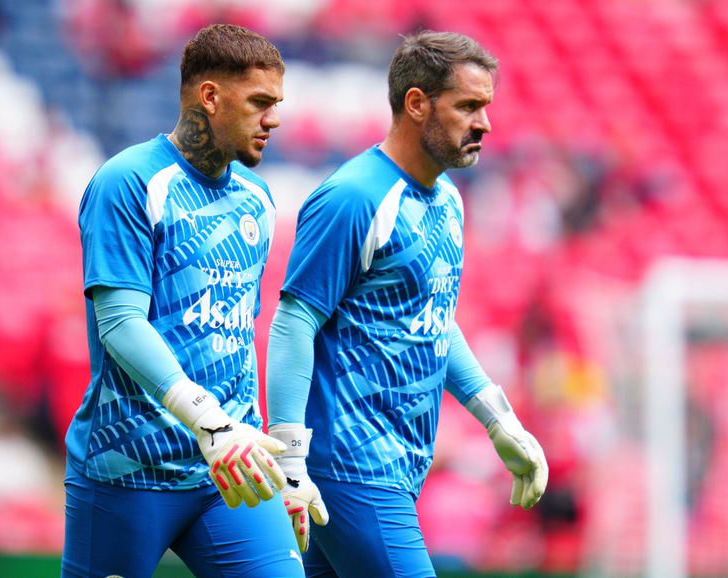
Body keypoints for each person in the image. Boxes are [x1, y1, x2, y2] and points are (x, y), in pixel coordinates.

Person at [265, 30, 549, 577]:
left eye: (486, 107)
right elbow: (294, 320)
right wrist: (290, 455)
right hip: (352, 465)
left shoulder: (447, 202)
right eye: (468, 106)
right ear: (417, 104)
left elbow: (435, 321)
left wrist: (498, 420)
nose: (485, 123)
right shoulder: (354, 197)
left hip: (399, 466)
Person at [62, 23, 304, 578]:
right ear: (211, 97)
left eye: (277, 104)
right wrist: (208, 422)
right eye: (260, 102)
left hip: (230, 472)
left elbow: (239, 340)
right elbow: (120, 323)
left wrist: (283, 464)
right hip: (128, 469)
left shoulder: (257, 198)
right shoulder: (128, 181)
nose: (275, 119)